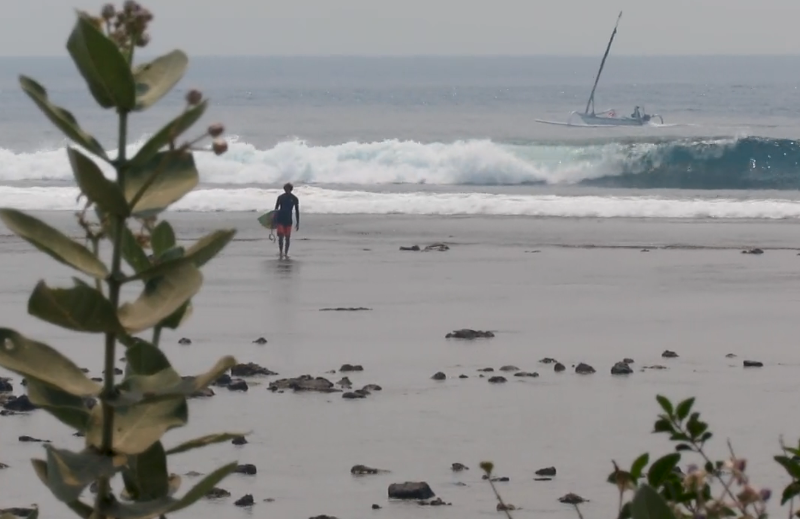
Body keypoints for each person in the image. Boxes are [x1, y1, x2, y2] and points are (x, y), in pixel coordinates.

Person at [274, 182, 300, 259]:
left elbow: (297, 211)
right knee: (281, 237)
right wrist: (273, 220)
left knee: (287, 237)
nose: (286, 190)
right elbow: (276, 209)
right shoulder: (280, 197)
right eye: (285, 189)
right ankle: (281, 251)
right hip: (280, 219)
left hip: (288, 220)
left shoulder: (294, 198)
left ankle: (286, 252)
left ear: (290, 189)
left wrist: (298, 222)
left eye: (288, 189)